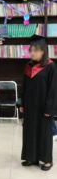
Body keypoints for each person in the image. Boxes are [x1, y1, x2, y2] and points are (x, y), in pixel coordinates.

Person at [20, 35, 57, 171]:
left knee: (44, 133)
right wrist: (22, 103)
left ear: (43, 51)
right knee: (30, 131)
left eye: (35, 50)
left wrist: (50, 109)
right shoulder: (28, 66)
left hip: (43, 107)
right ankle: (31, 157)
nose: (32, 53)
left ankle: (47, 160)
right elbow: (23, 86)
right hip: (30, 106)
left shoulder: (51, 67)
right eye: (31, 50)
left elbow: (53, 90)